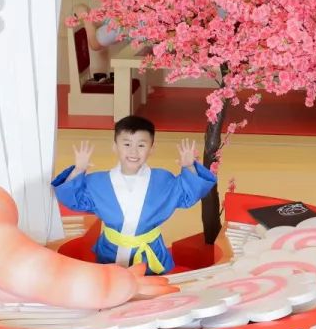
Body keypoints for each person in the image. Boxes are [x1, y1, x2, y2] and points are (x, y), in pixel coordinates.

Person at [51, 115, 216, 275]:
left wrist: (189, 167)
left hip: (149, 252)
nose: (134, 151)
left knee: (152, 291)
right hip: (110, 252)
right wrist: (78, 170)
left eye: (141, 145)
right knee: (113, 288)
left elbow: (187, 194)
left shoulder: (163, 180)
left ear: (152, 148)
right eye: (127, 144)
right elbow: (73, 198)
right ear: (115, 146)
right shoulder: (97, 182)